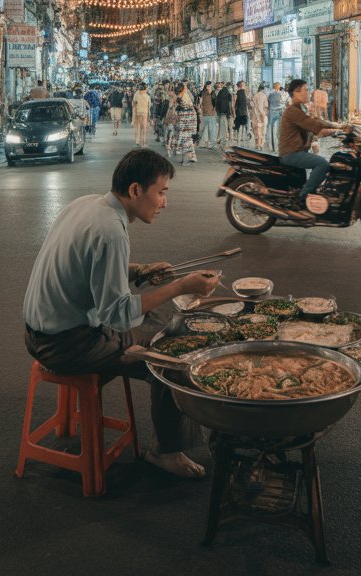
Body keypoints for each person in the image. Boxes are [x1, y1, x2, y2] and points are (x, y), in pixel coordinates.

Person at [23, 149, 220, 479]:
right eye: (161, 192)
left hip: (39, 331)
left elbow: (88, 267)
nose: (164, 203)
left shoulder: (87, 204)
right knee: (174, 352)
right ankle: (166, 452)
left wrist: (140, 271)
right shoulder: (111, 230)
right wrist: (181, 286)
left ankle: (169, 441)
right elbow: (116, 315)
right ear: (134, 190)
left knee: (162, 322)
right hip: (67, 344)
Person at [278, 78, 345, 201]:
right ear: (297, 92)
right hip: (292, 153)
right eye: (306, 90)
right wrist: (336, 127)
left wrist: (336, 129)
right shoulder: (292, 111)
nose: (308, 93)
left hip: (298, 151)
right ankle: (303, 197)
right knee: (322, 164)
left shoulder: (300, 109)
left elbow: (315, 126)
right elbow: (314, 124)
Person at [174, 83, 197, 165]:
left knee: (186, 140)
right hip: (187, 121)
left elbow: (181, 110)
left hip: (187, 122)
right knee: (186, 140)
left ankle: (187, 159)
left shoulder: (182, 97)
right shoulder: (185, 95)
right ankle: (189, 158)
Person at [267, 82, 286, 152]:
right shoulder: (281, 94)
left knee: (271, 130)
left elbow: (268, 102)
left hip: (272, 112)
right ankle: (278, 147)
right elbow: (283, 103)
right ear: (278, 87)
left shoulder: (270, 94)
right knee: (278, 130)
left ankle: (272, 147)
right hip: (279, 113)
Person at [214, 81, 233, 150]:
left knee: (222, 129)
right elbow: (231, 105)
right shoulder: (229, 94)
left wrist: (218, 112)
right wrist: (231, 113)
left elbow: (216, 104)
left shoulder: (219, 94)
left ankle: (222, 144)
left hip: (221, 114)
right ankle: (227, 143)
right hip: (228, 114)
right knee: (228, 128)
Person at [132, 82, 151, 147]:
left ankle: (137, 142)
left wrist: (133, 117)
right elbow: (149, 107)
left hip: (138, 113)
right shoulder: (148, 96)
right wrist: (149, 117)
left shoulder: (136, 95)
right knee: (144, 129)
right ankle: (143, 143)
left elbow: (133, 105)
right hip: (145, 113)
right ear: (146, 88)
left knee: (137, 128)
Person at [199, 82, 217, 148]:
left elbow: (215, 104)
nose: (209, 87)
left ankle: (207, 144)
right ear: (206, 86)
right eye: (208, 86)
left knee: (208, 129)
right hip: (207, 113)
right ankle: (208, 144)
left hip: (208, 114)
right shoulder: (206, 93)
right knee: (209, 129)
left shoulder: (210, 93)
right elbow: (200, 103)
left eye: (210, 86)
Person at [251, 83, 269, 150]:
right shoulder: (264, 96)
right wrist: (265, 112)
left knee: (256, 129)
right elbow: (266, 106)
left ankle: (256, 144)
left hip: (255, 116)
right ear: (263, 89)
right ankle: (261, 144)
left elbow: (252, 105)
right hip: (262, 115)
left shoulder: (254, 96)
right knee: (263, 130)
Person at [234, 80, 249, 145]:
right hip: (243, 112)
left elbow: (236, 104)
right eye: (244, 85)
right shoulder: (242, 93)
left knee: (239, 127)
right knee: (243, 127)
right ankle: (241, 141)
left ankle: (239, 141)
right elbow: (245, 103)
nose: (245, 86)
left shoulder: (238, 93)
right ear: (242, 85)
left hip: (239, 112)